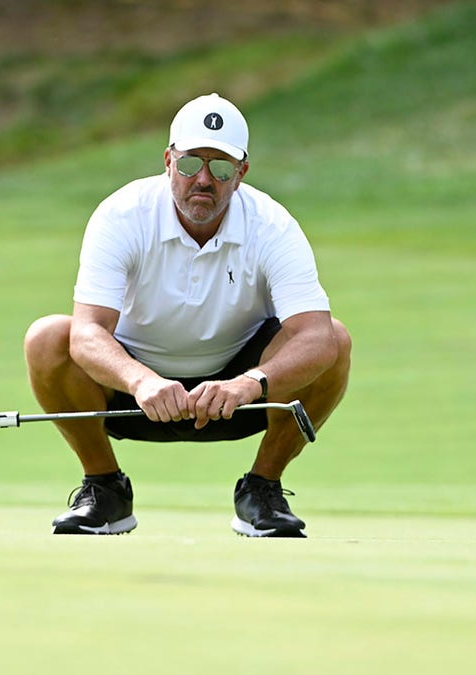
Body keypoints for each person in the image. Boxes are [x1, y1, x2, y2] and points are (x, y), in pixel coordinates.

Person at [23, 93, 351, 538]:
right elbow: (86, 334)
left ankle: (262, 489)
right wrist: (141, 381)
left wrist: (249, 383)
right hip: (131, 393)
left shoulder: (272, 225)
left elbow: (316, 337)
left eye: (220, 168)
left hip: (240, 391)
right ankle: (105, 490)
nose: (203, 179)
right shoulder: (123, 214)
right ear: (168, 161)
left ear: (240, 174)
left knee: (335, 337)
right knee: (48, 338)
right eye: (190, 163)